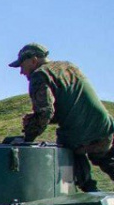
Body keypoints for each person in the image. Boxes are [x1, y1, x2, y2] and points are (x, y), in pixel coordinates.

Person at [10, 43, 114, 192]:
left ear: (33, 60)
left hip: (80, 135)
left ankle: (81, 192)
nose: (21, 71)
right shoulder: (68, 66)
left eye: (22, 65)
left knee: (63, 152)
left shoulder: (39, 75)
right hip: (105, 128)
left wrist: (27, 138)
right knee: (106, 160)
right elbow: (70, 104)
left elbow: (45, 112)